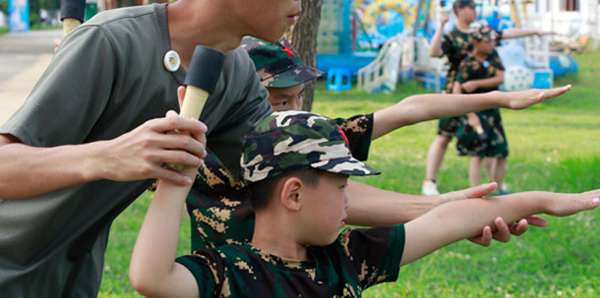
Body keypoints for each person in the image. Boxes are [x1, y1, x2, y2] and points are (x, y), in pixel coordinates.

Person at [0, 0, 337, 295]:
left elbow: (297, 180)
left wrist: (427, 213)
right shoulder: (110, 41)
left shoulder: (235, 72)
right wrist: (109, 156)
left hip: (69, 280)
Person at [129, 110, 600, 297]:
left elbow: (451, 219)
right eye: (340, 187)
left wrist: (547, 200)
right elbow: (150, 278)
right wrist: (176, 179)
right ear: (293, 194)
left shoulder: (346, 256)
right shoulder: (224, 271)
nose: (348, 200)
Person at [185, 36, 571, 251]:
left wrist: (500, 98)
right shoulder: (206, 160)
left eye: (298, 97)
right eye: (280, 100)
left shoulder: (307, 136)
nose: (295, 109)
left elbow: (407, 109)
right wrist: (441, 208)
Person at [423, 0, 552, 195]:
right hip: (454, 94)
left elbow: (508, 33)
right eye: (471, 7)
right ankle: (429, 182)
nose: (474, 11)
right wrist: (440, 25)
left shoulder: (481, 33)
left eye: (475, 7)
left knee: (489, 142)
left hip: (481, 97)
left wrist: (534, 31)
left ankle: (492, 184)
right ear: (459, 10)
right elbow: (434, 52)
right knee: (444, 137)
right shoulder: (452, 36)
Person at [453, 23, 508, 191]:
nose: (492, 44)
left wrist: (477, 83)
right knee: (477, 154)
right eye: (487, 41)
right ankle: (475, 190)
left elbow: (500, 78)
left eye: (492, 41)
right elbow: (457, 90)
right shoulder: (467, 63)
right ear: (477, 42)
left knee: (500, 151)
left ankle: (498, 188)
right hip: (476, 113)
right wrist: (470, 116)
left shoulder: (493, 56)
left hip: (493, 111)